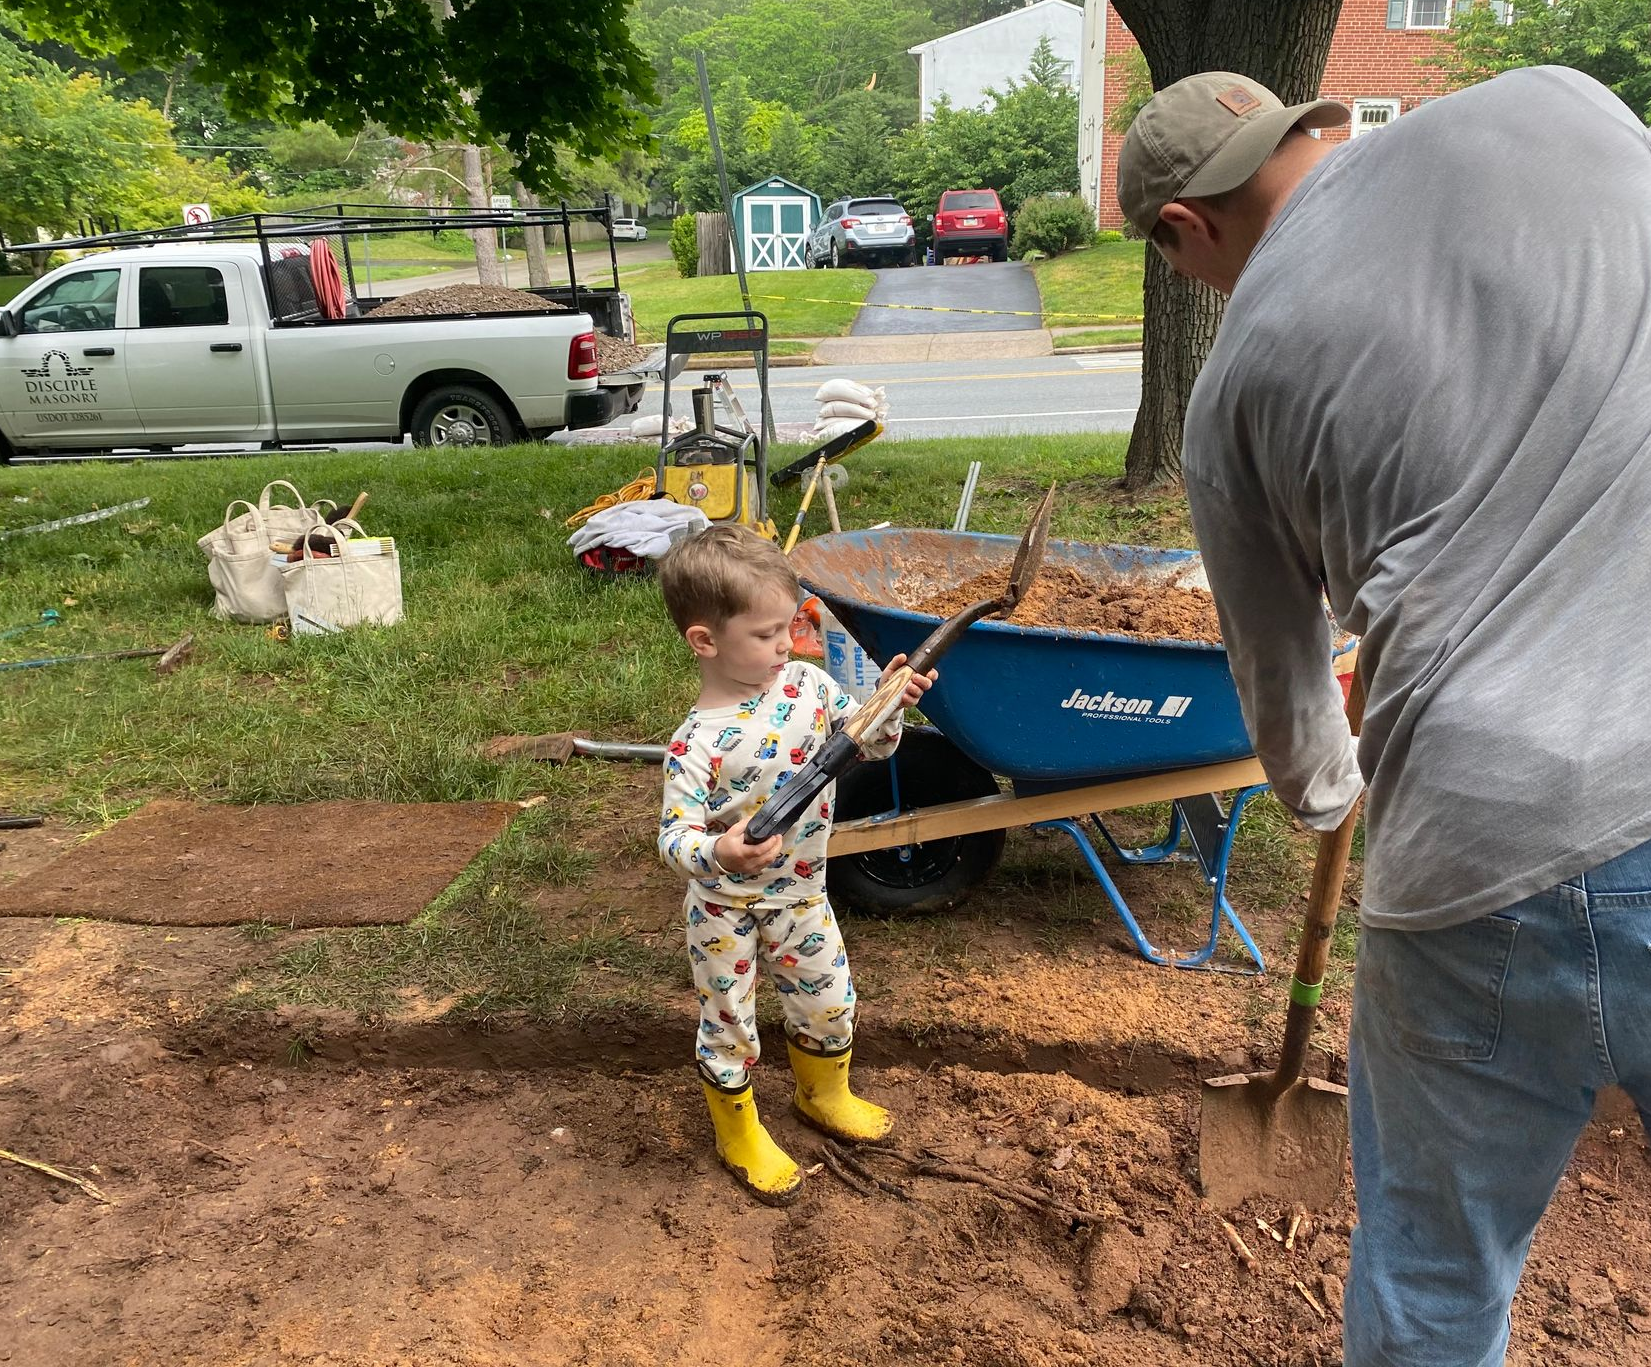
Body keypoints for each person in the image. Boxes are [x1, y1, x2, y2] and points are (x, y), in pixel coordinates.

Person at [1119, 66, 1651, 1366]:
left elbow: (1282, 688)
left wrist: (1326, 797)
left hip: (1469, 849)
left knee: (1429, 1277)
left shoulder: (1232, 380)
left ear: (1183, 231)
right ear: (1319, 125)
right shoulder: (1560, 110)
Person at [655, 524, 934, 1205]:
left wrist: (890, 706)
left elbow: (868, 745)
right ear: (705, 640)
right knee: (730, 1026)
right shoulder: (695, 745)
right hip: (725, 911)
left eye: (791, 625)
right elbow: (672, 838)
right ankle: (739, 1134)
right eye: (766, 632)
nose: (785, 643)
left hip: (803, 895)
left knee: (829, 1001)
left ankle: (823, 1094)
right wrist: (720, 849)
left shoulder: (807, 685)